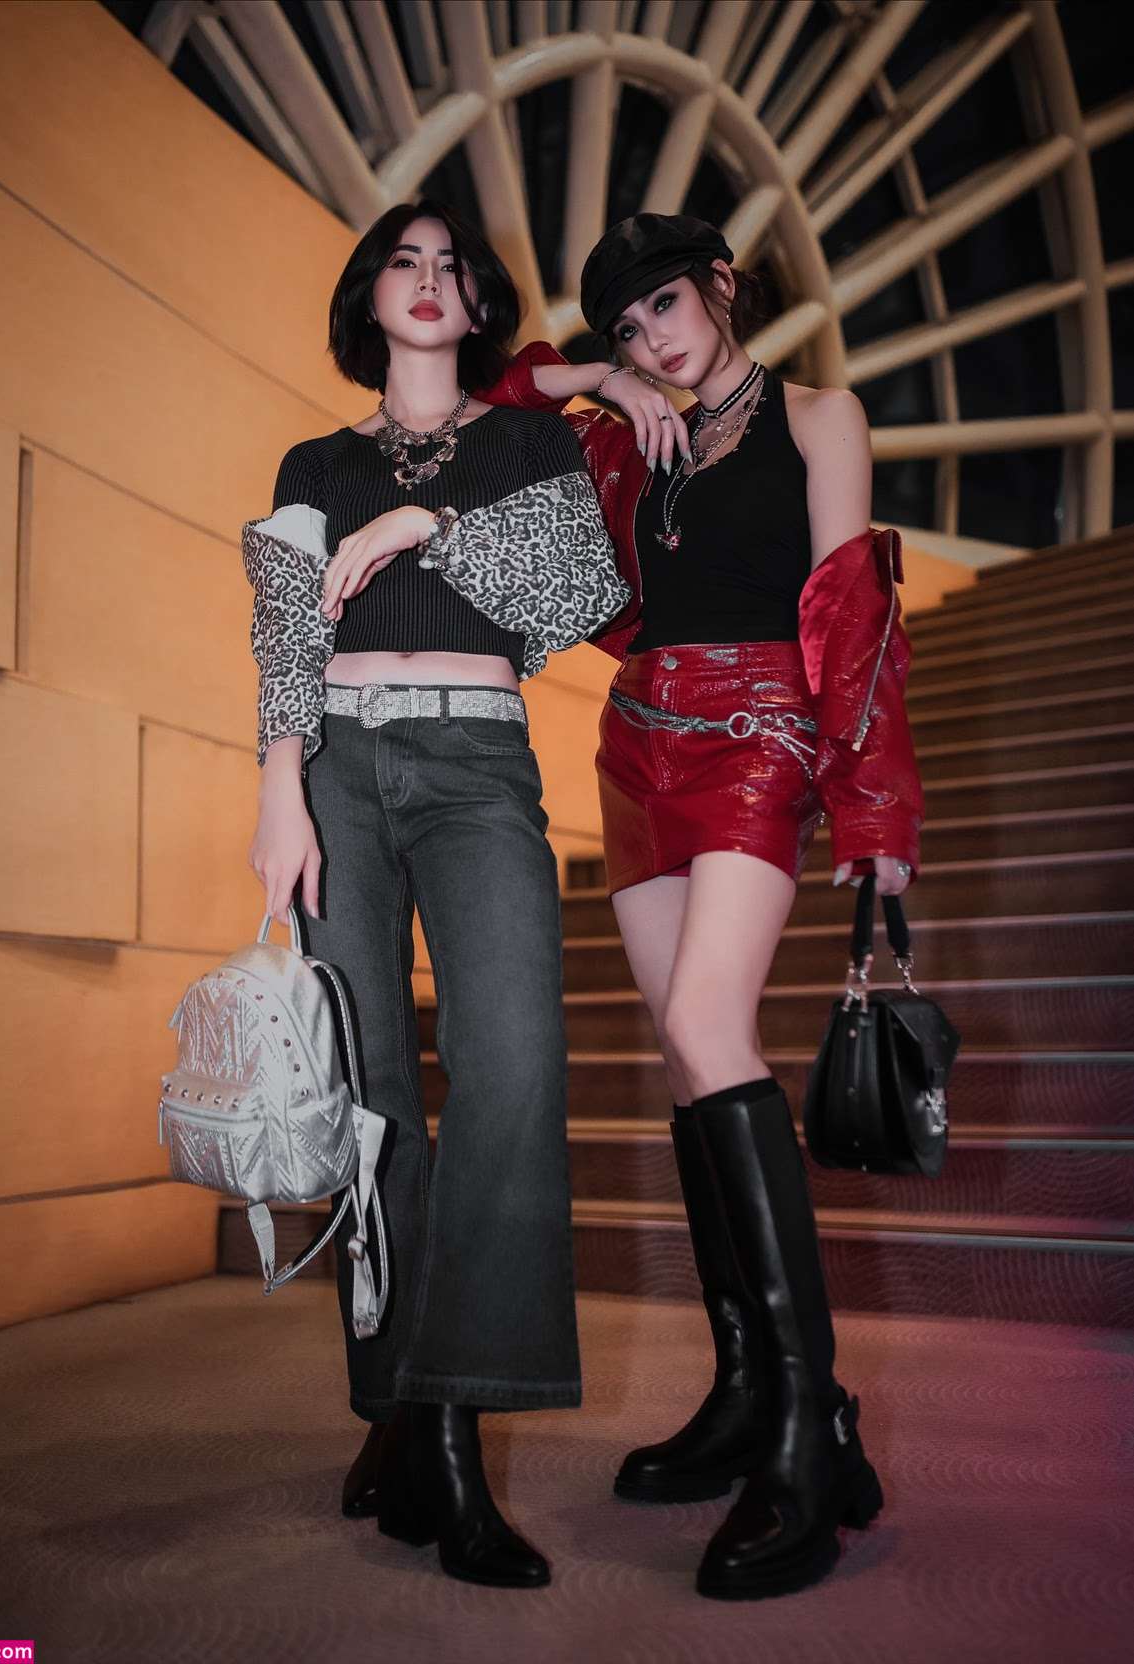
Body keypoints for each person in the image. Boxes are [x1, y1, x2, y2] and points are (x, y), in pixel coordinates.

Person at [478, 212, 923, 1600]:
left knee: (706, 1027)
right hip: (636, 743)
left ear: (721, 285)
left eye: (663, 307)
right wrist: (604, 382)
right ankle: (745, 1392)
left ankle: (807, 1424)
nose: (653, 339)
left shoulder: (819, 416)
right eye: (628, 326)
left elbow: (850, 613)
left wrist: (874, 813)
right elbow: (496, 391)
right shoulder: (628, 433)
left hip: (759, 732)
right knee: (682, 1059)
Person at [241, 199, 628, 1590]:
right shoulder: (313, 461)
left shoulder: (529, 444)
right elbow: (285, 630)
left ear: (477, 305)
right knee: (368, 1100)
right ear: (371, 295)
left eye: (448, 267)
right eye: (401, 262)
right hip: (336, 770)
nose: (425, 280)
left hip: (477, 764)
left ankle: (452, 1424)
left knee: (512, 1066)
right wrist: (279, 786)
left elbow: (576, 589)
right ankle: (401, 1411)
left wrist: (424, 521)